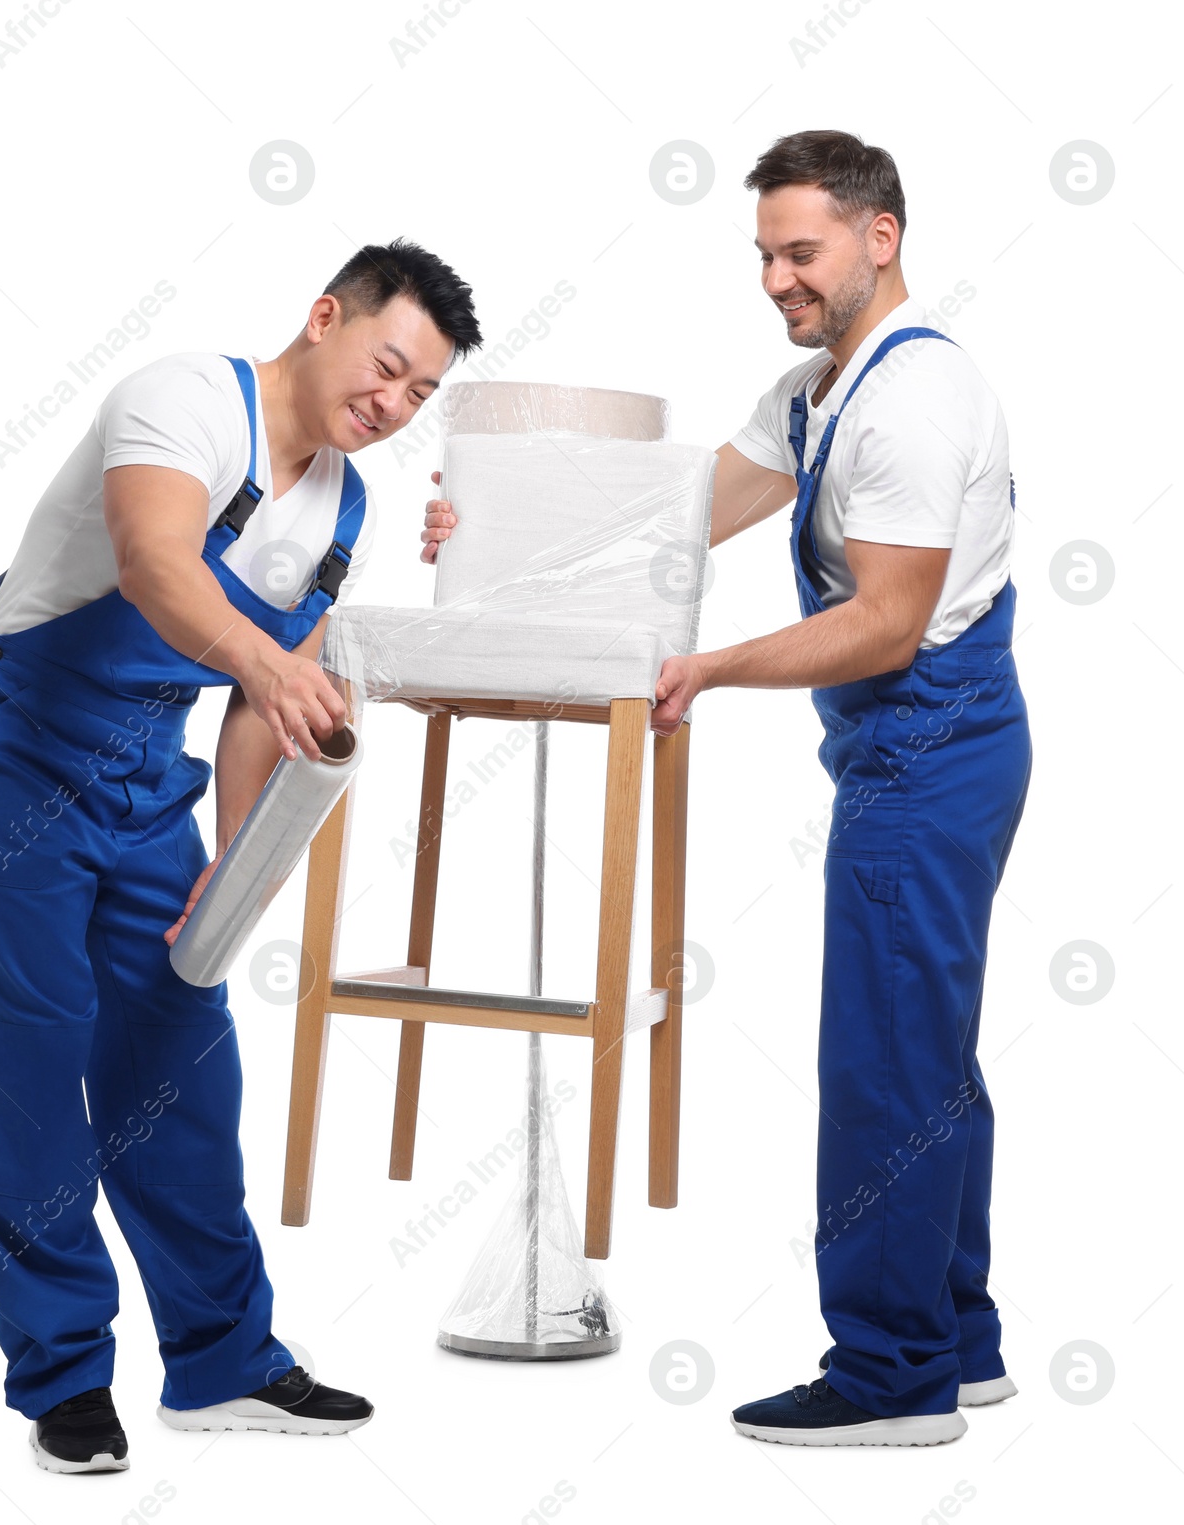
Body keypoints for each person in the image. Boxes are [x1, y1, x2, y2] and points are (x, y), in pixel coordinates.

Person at [423, 130, 1030, 1448]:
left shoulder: (917, 403)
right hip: (904, 749)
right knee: (928, 1049)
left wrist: (711, 664)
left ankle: (892, 1373)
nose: (775, 277)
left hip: (934, 747)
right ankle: (960, 1339)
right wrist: (491, 529)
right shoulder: (819, 391)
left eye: (799, 250)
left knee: (884, 1055)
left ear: (882, 236)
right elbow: (674, 508)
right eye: (762, 253)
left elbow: (884, 624)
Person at [0, 238, 480, 1473]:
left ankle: (224, 1358)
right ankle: (64, 1376)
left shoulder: (346, 506)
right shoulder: (184, 402)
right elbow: (157, 566)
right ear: (324, 316)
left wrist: (234, 859)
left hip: (148, 781)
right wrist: (274, 665)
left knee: (183, 1061)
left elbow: (254, 707)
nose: (388, 406)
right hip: (22, 751)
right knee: (33, 1060)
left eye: (417, 395)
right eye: (385, 366)